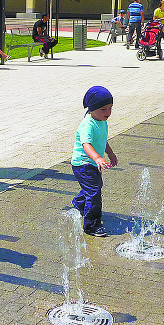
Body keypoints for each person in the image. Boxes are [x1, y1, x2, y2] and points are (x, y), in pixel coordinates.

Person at [71, 86, 117, 237]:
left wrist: (110, 153)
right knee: (94, 192)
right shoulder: (88, 125)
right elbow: (86, 144)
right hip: (83, 164)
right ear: (92, 108)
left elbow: (102, 140)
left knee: (95, 188)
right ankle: (91, 225)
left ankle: (79, 202)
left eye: (110, 108)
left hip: (93, 163)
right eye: (103, 109)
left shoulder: (101, 121)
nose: (108, 113)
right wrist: (97, 157)